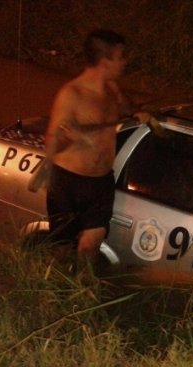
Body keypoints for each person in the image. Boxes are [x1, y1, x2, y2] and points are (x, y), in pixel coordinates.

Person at [45, 29, 147, 263]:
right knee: (62, 251)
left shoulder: (112, 89)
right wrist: (70, 138)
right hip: (67, 183)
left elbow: (126, 107)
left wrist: (137, 113)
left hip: (100, 182)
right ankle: (58, 292)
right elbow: (50, 141)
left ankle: (82, 294)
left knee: (90, 248)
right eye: (120, 57)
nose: (124, 62)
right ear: (104, 61)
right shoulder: (72, 94)